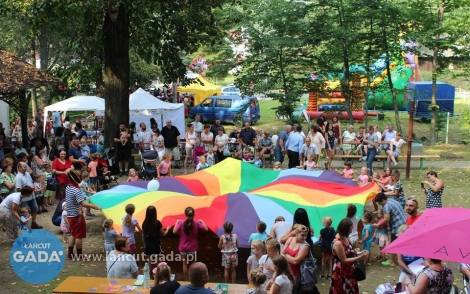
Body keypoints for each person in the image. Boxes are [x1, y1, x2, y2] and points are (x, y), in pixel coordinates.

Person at [65, 171, 102, 259]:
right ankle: (80, 255)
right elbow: (83, 204)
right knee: (79, 236)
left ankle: (70, 254)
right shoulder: (76, 189)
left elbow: (77, 198)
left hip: (70, 215)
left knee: (73, 234)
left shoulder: (68, 187)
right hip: (77, 216)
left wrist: (86, 197)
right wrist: (96, 207)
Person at [330, 218, 369, 294]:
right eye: (350, 229)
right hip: (341, 271)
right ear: (345, 229)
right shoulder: (337, 242)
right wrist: (360, 257)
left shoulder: (345, 237)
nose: (351, 231)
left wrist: (353, 251)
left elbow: (346, 251)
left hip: (349, 271)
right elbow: (344, 260)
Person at [173, 207, 208, 281]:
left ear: (185, 214)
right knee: (193, 265)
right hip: (193, 247)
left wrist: (176, 223)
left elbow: (174, 231)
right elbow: (206, 229)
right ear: (194, 214)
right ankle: (193, 279)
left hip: (183, 247)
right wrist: (202, 221)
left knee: (184, 264)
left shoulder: (181, 223)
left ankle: (186, 280)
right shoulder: (196, 223)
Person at [374, 192, 406, 266]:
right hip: (404, 222)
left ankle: (391, 261)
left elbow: (386, 220)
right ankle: (400, 258)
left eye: (379, 202)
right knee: (400, 242)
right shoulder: (392, 200)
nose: (379, 204)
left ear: (382, 200)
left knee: (394, 243)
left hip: (398, 226)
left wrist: (378, 225)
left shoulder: (386, 206)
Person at [281, 224, 310, 293]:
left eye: (306, 235)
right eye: (302, 235)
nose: (304, 238)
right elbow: (281, 253)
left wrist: (286, 255)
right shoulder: (290, 239)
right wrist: (291, 258)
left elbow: (295, 261)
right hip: (285, 272)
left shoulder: (305, 246)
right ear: (296, 233)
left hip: (296, 275)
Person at [142, 206, 171, 272]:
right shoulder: (157, 223)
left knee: (149, 260)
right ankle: (158, 275)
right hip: (156, 245)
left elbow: (143, 235)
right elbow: (163, 234)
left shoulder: (144, 223)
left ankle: (150, 275)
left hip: (148, 245)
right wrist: (168, 229)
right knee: (157, 261)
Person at [15, 162, 42, 229]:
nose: (26, 168)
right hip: (24, 198)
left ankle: (33, 223)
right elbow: (18, 189)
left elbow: (31, 182)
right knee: (25, 212)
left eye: (26, 167)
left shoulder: (27, 174)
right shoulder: (18, 177)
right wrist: (28, 189)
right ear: (19, 168)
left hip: (32, 196)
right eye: (24, 167)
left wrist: (34, 187)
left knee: (35, 209)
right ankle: (25, 226)